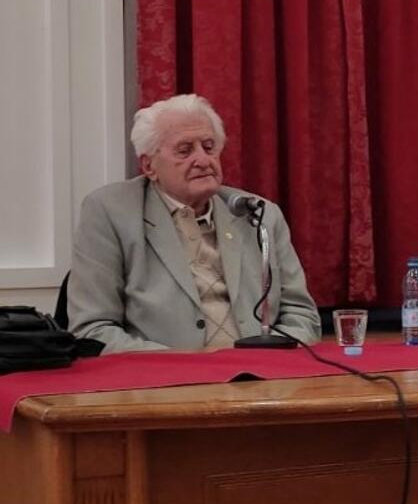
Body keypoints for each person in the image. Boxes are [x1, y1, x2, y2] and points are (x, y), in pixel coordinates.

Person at [68, 94, 321, 352]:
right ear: (149, 166)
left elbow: (302, 316)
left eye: (209, 147)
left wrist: (267, 359)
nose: (203, 160)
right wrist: (184, 366)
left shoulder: (259, 213)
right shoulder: (111, 212)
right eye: (184, 150)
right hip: (164, 374)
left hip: (259, 371)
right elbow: (94, 329)